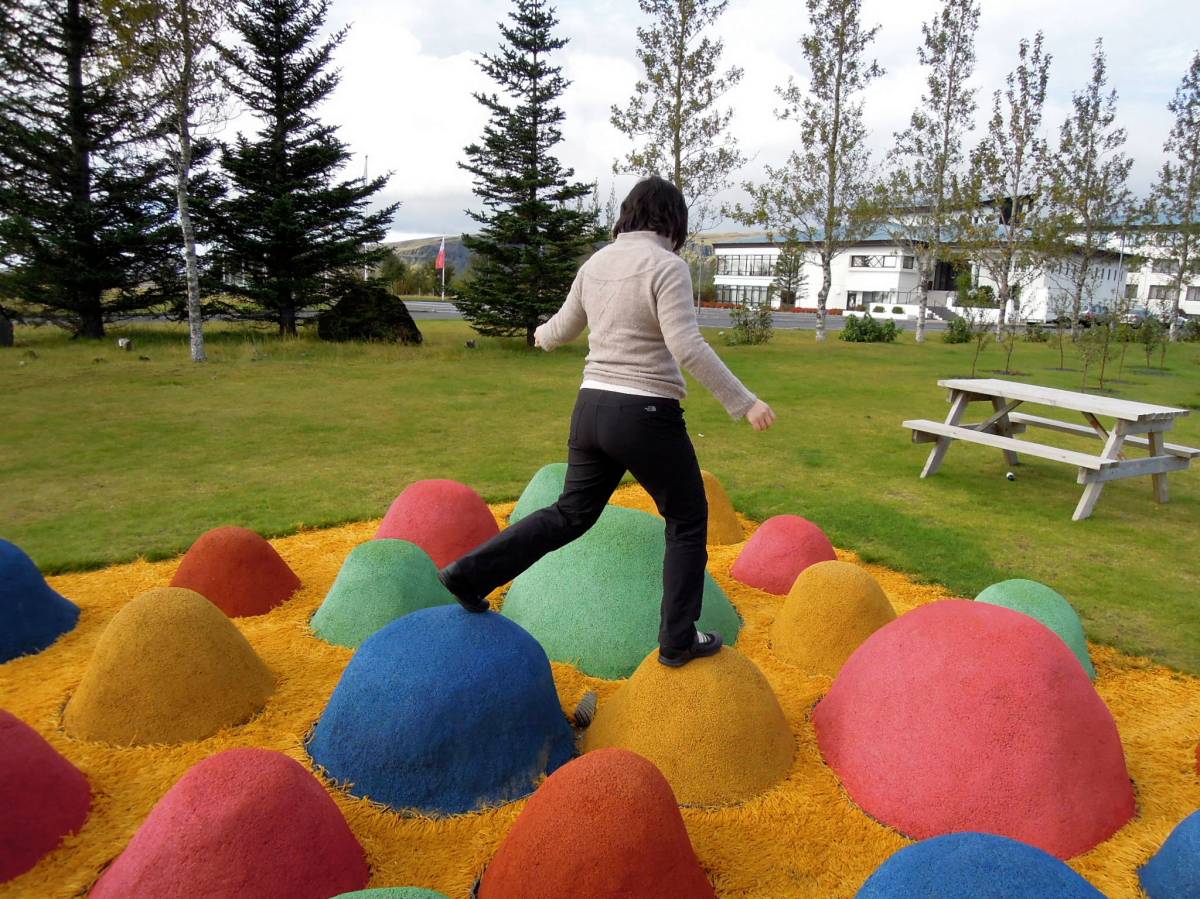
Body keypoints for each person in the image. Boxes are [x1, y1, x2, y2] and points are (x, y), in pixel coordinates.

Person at [438, 175, 776, 667]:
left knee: (569, 514)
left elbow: (564, 326)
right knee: (686, 520)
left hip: (591, 408)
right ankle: (678, 639)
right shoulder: (667, 266)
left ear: (629, 214)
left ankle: (469, 574)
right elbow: (686, 346)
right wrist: (745, 402)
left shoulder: (596, 263)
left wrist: (543, 337)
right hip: (647, 415)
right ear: (673, 221)